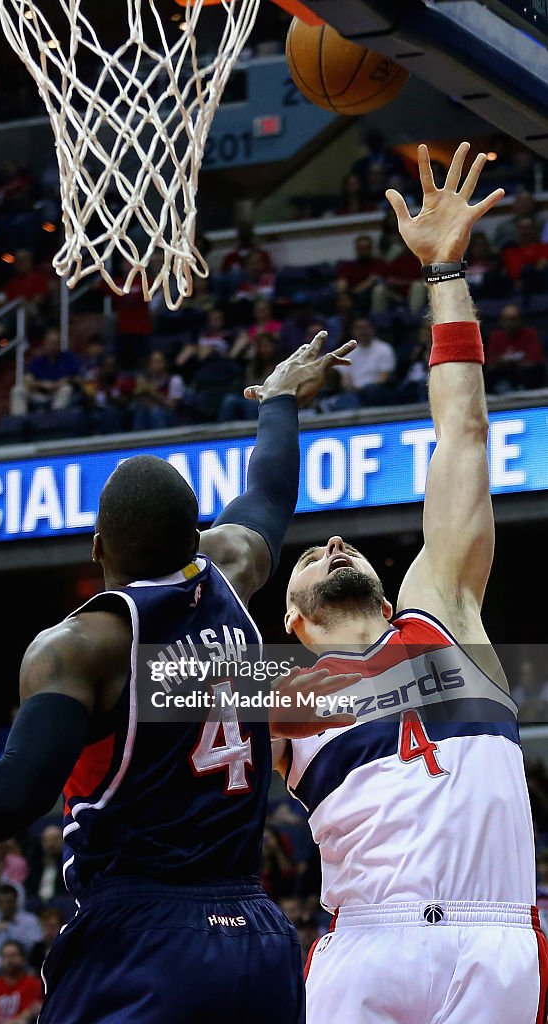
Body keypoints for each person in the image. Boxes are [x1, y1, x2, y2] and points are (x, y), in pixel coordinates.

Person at [0, 334, 360, 1024]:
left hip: (141, 932)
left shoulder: (81, 646)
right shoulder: (232, 574)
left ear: (97, 548)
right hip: (256, 932)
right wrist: (277, 400)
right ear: (195, 542)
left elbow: (22, 784)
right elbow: (267, 491)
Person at [275, 142, 542, 1022]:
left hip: (497, 938)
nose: (335, 540)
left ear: (393, 598)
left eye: (341, 545)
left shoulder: (444, 613)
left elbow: (462, 436)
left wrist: (446, 271)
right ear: (293, 619)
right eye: (311, 553)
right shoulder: (278, 694)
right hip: (365, 945)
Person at [484, 303, 548, 393]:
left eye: (513, 320)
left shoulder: (530, 334)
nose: (510, 323)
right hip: (504, 378)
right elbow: (491, 365)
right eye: (506, 320)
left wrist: (509, 363)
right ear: (501, 321)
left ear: (520, 320)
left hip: (527, 378)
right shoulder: (495, 337)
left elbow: (535, 362)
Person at [0, 941, 41, 1024]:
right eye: (4, 956)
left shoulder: (34, 984)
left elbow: (33, 1010)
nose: (9, 960)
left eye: (13, 955)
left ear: (23, 958)